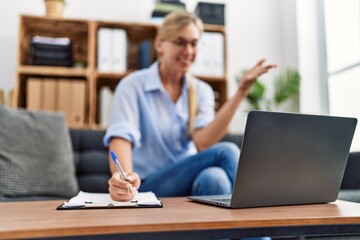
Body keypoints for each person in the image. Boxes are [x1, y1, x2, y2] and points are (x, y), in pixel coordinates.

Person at [104, 11, 276, 202]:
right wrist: (125, 178)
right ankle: (261, 220)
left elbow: (203, 141)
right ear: (160, 44)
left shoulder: (202, 91)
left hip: (189, 181)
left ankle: (226, 232)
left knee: (214, 178)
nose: (188, 51)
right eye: (180, 42)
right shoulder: (132, 86)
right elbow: (121, 137)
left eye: (193, 43)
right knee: (227, 151)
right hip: (149, 186)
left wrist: (241, 92)